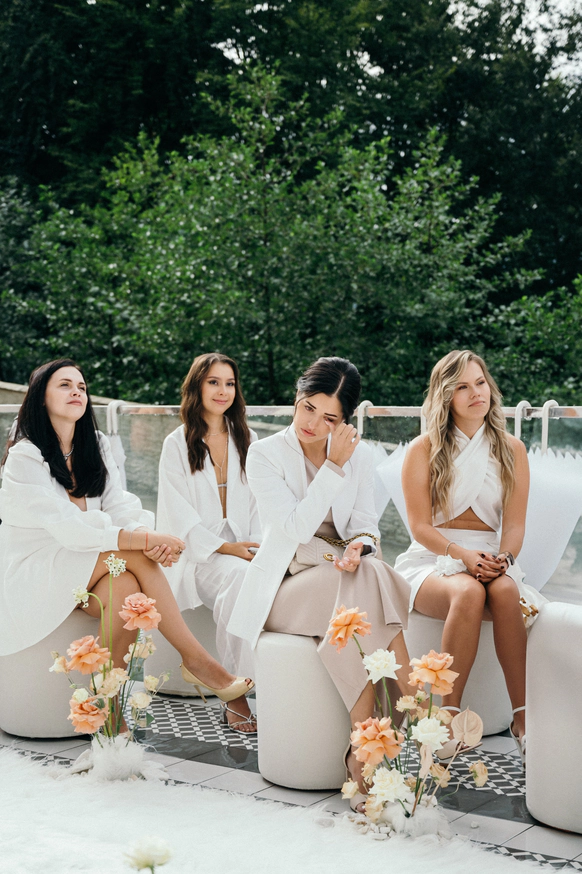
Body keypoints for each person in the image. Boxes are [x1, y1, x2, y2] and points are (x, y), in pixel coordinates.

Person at [0, 358, 254, 712]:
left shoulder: (95, 444)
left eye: (82, 387)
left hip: (82, 571)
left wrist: (145, 535)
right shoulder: (25, 456)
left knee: (126, 592)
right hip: (39, 571)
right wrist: (145, 542)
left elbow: (120, 507)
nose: (77, 391)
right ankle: (197, 660)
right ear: (41, 397)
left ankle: (110, 711)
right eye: (64, 385)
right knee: (134, 555)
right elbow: (68, 528)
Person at [227, 356, 416, 804]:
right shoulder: (265, 454)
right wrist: (332, 468)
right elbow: (294, 530)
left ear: (345, 420)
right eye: (308, 407)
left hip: (344, 580)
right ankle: (413, 701)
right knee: (364, 578)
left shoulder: (360, 455)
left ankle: (362, 748)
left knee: (366, 572)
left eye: (329, 418)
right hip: (284, 587)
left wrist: (359, 548)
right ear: (297, 396)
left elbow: (367, 526)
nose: (313, 423)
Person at [394, 349, 545, 765]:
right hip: (434, 557)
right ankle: (447, 717)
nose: (476, 393)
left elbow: (514, 526)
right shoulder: (423, 449)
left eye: (480, 383)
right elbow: (419, 527)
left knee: (506, 591)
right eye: (462, 387)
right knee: (467, 592)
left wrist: (504, 559)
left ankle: (523, 719)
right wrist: (461, 555)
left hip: (491, 556)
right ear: (446, 396)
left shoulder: (512, 449)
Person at [156, 352, 261, 733]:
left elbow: (261, 502)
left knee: (263, 577)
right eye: (213, 382)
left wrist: (258, 547)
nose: (222, 391)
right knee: (238, 577)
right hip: (199, 556)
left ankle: (272, 687)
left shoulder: (247, 439)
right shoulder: (176, 443)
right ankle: (236, 693)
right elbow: (178, 513)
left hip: (247, 547)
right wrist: (227, 549)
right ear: (197, 386)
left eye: (229, 383)